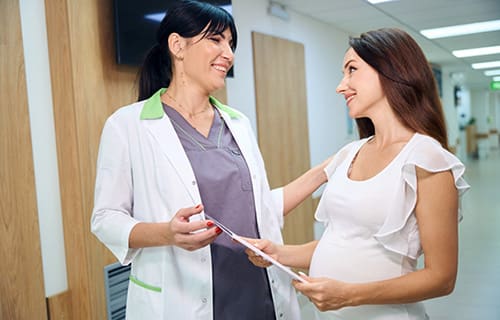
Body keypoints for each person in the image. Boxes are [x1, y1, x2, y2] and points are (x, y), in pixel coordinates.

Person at [91, 1, 327, 319]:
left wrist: (328, 169)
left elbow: (258, 209)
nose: (228, 54)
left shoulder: (238, 123)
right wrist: (166, 233)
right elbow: (106, 219)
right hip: (183, 299)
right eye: (216, 39)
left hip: (258, 292)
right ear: (178, 46)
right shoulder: (127, 125)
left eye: (231, 43)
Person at [246, 28, 470, 319]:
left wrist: (350, 295)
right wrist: (277, 253)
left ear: (392, 70)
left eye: (352, 70)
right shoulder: (351, 153)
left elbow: (442, 278)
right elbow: (344, 242)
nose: (341, 86)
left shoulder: (427, 160)